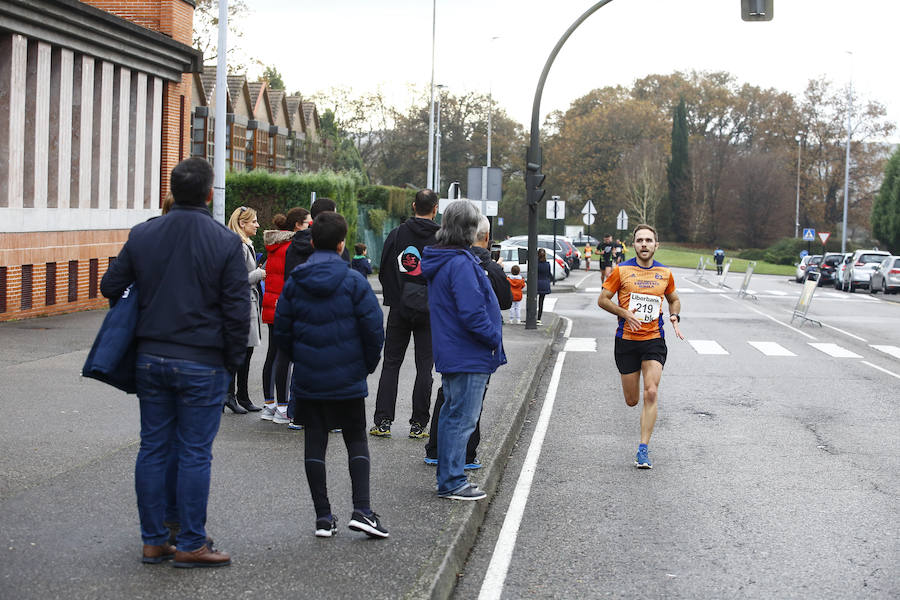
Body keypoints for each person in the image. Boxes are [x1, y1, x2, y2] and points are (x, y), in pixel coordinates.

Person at [100, 157, 246, 567]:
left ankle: (155, 540)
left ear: (172, 190)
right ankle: (192, 543)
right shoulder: (224, 242)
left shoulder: (144, 234)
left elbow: (111, 285)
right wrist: (230, 364)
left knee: (153, 448)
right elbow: (236, 313)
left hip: (150, 357)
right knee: (195, 451)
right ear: (208, 194)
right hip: (202, 360)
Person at [273, 212, 388, 538]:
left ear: (311, 242)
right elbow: (373, 329)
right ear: (341, 245)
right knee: (355, 440)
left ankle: (324, 517)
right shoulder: (354, 281)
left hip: (309, 378)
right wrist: (364, 366)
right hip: (348, 378)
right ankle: (362, 511)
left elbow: (282, 332)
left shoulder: (296, 281)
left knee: (315, 442)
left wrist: (302, 359)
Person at [421, 200, 505, 500]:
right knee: (462, 419)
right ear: (469, 230)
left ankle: (448, 477)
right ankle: (453, 481)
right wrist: (494, 336)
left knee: (450, 414)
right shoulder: (460, 263)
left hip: (454, 350)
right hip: (469, 352)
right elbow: (472, 312)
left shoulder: (445, 259)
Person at [596, 224, 684, 470]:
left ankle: (643, 449)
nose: (644, 244)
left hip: (654, 339)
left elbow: (674, 299)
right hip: (627, 342)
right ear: (633, 245)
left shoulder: (665, 273)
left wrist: (675, 315)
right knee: (632, 400)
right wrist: (624, 313)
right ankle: (636, 410)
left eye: (648, 240)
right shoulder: (621, 271)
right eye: (639, 240)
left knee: (652, 392)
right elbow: (602, 299)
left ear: (656, 245)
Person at [370, 189, 440, 439]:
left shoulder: (397, 234)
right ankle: (418, 424)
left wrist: (395, 297)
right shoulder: (441, 239)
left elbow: (384, 268)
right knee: (424, 367)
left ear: (413, 206)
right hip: (430, 311)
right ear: (435, 208)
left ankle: (383, 421)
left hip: (400, 309)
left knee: (391, 364)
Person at [282, 197, 348, 430]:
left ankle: (297, 414)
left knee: (302, 364)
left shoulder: (294, 244)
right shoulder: (337, 244)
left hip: (303, 315)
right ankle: (331, 417)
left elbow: (288, 280)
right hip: (332, 316)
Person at [260, 208, 312, 424]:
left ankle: (269, 404)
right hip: (284, 304)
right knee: (284, 356)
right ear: (297, 225)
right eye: (308, 222)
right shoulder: (291, 247)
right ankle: (283, 406)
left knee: (272, 354)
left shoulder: (275, 245)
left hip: (271, 304)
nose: (311, 225)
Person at [225, 206, 266, 414]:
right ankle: (232, 395)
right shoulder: (238, 247)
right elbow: (237, 279)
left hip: (247, 303)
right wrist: (259, 273)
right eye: (254, 222)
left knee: (245, 351)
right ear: (242, 224)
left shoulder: (244, 244)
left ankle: (239, 395)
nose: (257, 225)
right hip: (242, 304)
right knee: (240, 351)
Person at [536, 248, 551, 325]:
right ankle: (539, 318)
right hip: (544, 284)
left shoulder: (536, 264)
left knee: (533, 300)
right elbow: (549, 275)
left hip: (536, 284)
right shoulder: (547, 264)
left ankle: (532, 316)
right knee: (541, 302)